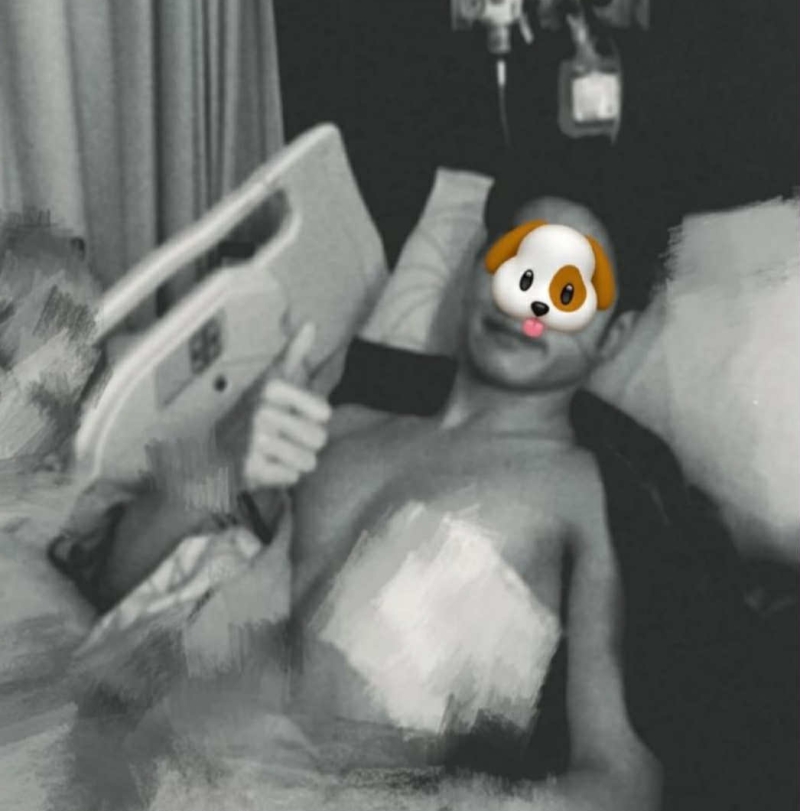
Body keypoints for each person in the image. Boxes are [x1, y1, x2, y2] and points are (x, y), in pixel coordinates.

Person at [73, 192, 665, 811]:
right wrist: (222, 458)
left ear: (614, 335)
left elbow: (623, 782)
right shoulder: (340, 425)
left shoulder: (585, 494)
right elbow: (121, 578)